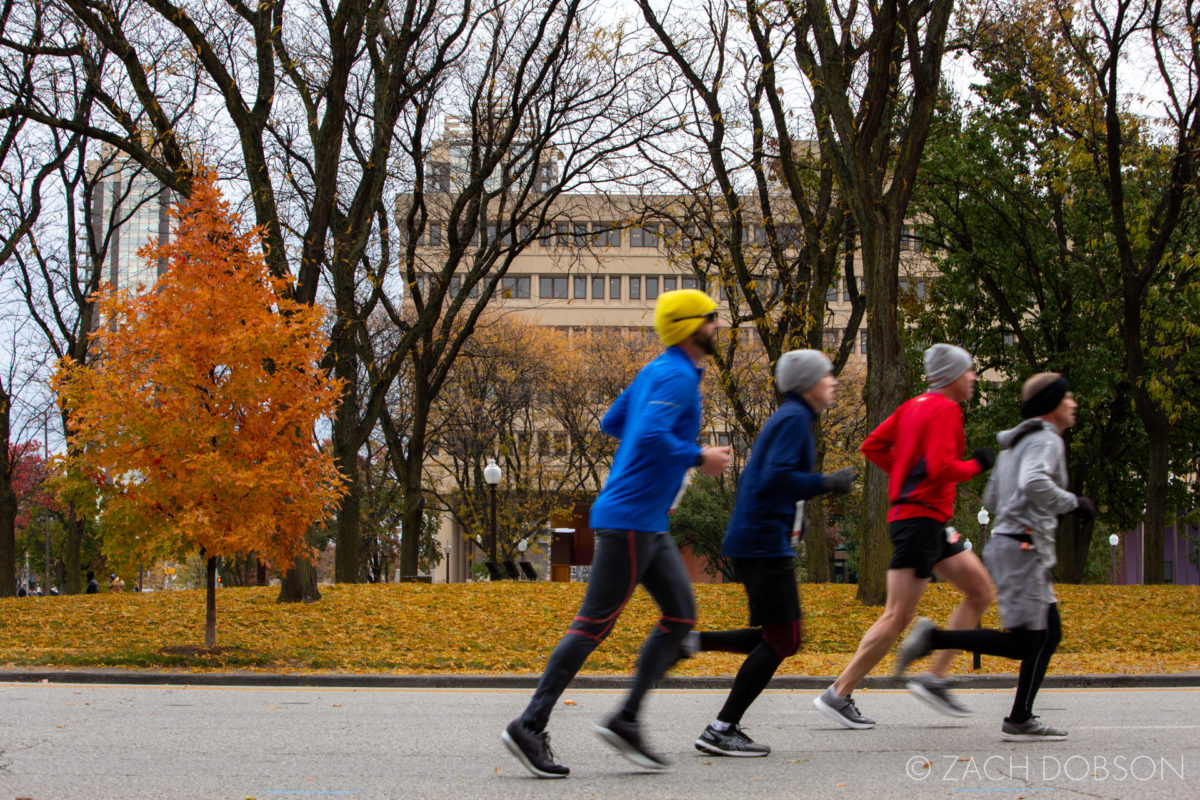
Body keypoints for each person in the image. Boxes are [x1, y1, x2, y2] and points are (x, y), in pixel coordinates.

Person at [501, 289, 732, 779]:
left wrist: (654, 458)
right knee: (592, 626)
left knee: (680, 616)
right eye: (712, 319)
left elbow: (613, 421)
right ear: (692, 326)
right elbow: (646, 434)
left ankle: (626, 720)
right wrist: (698, 457)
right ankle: (529, 723)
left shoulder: (659, 370)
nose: (718, 326)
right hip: (629, 520)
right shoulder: (674, 375)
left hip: (647, 521)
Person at [895, 373, 1089, 741]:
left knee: (1049, 635)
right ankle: (934, 638)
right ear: (1052, 403)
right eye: (1068, 397)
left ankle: (1020, 717)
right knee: (1027, 642)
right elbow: (1033, 483)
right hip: (1023, 547)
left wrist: (1030, 519)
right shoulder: (1046, 439)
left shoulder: (1015, 442)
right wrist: (1072, 503)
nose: (1073, 404)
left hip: (1015, 543)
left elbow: (995, 497)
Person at [814, 343, 996, 728]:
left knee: (981, 591)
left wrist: (904, 473)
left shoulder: (912, 406)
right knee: (898, 615)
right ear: (950, 376)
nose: (973, 378)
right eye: (968, 372)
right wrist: (977, 464)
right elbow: (943, 467)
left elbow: (873, 445)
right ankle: (838, 692)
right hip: (920, 520)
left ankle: (935, 677)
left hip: (925, 519)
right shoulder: (946, 408)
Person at [690, 350, 855, 757]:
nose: (833, 381)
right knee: (785, 638)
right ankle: (720, 727)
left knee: (780, 637)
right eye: (827, 376)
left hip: (759, 540)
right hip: (763, 544)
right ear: (806, 383)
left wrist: (796, 519)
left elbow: (760, 479)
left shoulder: (791, 418)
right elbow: (778, 479)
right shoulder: (795, 418)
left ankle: (691, 643)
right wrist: (828, 483)